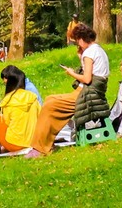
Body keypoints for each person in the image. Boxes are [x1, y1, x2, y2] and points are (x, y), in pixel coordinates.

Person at [27, 22, 110, 155]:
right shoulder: (97, 49)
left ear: (81, 38)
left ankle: (40, 148)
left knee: (50, 105)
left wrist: (71, 73)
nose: (77, 45)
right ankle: (47, 142)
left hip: (86, 93)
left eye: (77, 41)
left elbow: (87, 79)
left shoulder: (89, 53)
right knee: (49, 99)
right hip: (87, 91)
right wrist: (80, 58)